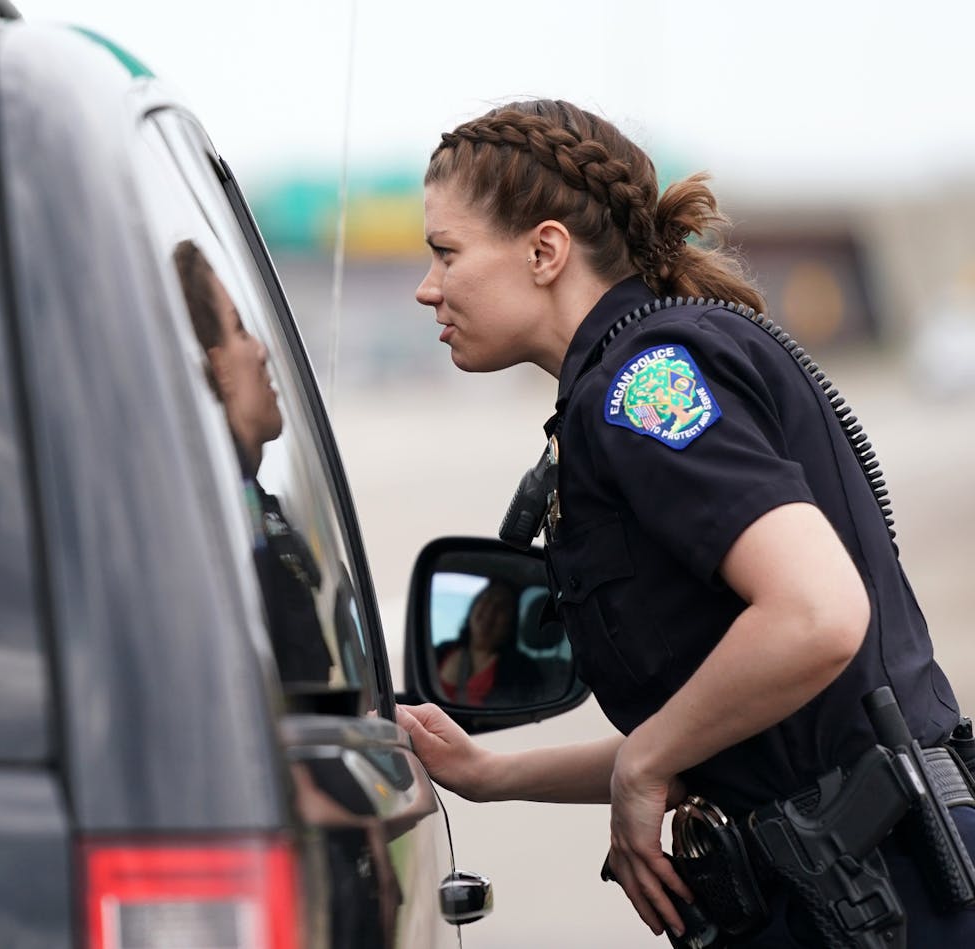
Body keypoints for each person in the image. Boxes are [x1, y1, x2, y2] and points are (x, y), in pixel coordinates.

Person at [397, 98, 973, 947]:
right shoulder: (635, 371)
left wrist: (647, 759)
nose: (427, 286)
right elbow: (731, 731)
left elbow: (816, 614)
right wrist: (490, 772)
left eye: (446, 252)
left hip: (882, 904)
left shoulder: (642, 383)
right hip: (855, 894)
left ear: (546, 250)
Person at [172, 240, 334, 685]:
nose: (262, 350)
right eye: (240, 330)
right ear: (218, 367)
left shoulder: (226, 507)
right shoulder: (219, 525)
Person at [435, 580, 548, 706]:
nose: (490, 610)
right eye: (486, 599)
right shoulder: (440, 651)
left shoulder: (523, 671)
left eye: (501, 607)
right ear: (473, 607)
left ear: (511, 622)